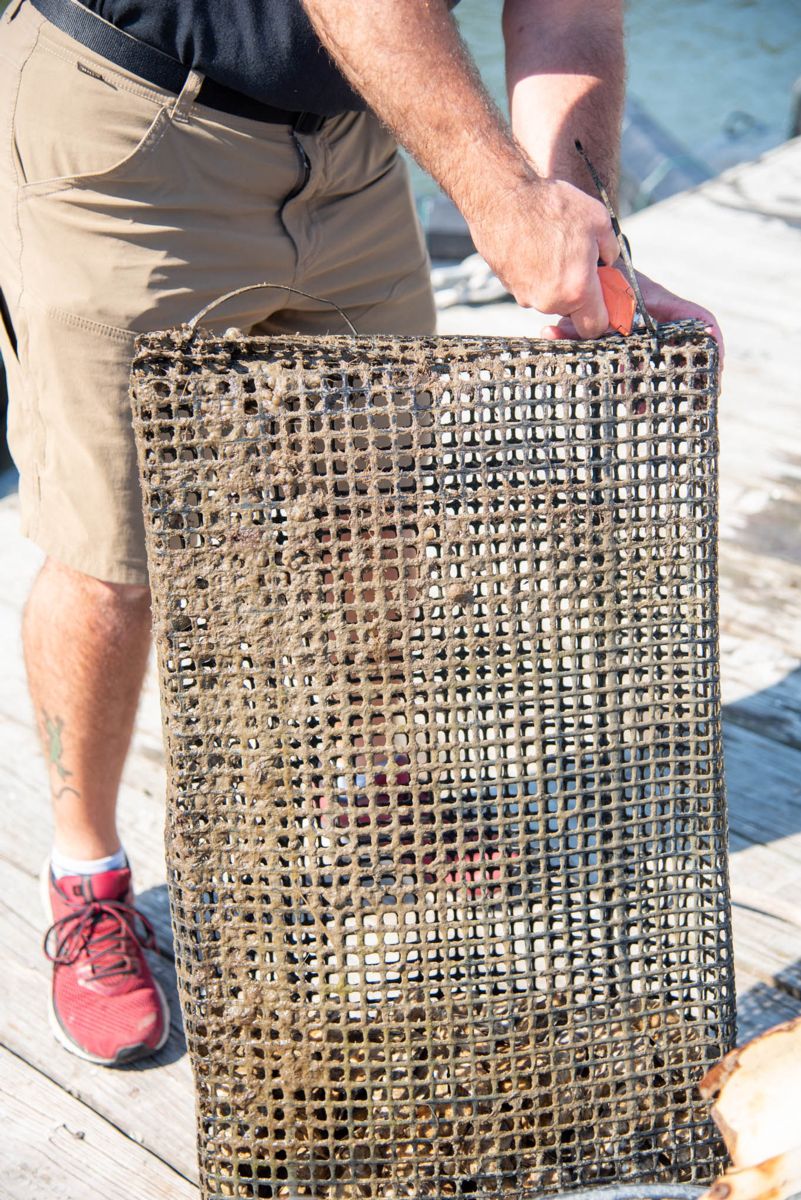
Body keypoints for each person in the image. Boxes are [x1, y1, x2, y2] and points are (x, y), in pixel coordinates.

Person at [0, 0, 720, 1067]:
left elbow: (567, 9)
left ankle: (364, 782)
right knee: (114, 552)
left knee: (374, 514)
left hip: (353, 141)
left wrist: (578, 219)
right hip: (133, 129)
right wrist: (499, 196)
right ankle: (86, 874)